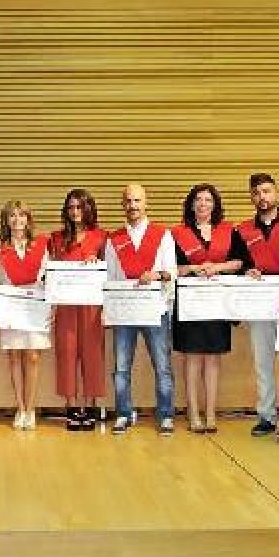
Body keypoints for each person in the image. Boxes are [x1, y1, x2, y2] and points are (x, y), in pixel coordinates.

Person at [170, 184, 248, 434]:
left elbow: (241, 262)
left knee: (213, 358)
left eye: (208, 200)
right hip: (190, 304)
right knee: (192, 358)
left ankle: (211, 413)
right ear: (191, 204)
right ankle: (194, 413)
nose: (203, 204)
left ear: (215, 205)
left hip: (217, 302)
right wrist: (193, 268)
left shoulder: (229, 231)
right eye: (199, 199)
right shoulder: (177, 234)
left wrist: (217, 267)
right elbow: (170, 268)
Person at [105, 184, 177, 436]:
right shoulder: (114, 239)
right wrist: (110, 310)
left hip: (155, 311)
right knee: (121, 367)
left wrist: (156, 274)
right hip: (124, 312)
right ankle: (124, 413)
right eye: (128, 201)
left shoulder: (163, 235)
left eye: (137, 201)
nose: (132, 205)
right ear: (122, 205)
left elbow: (172, 272)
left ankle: (166, 415)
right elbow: (110, 278)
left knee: (162, 365)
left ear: (146, 203)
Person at [236, 173, 279, 436]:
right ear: (251, 197)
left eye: (266, 191)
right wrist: (246, 270)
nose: (262, 197)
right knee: (262, 361)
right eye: (256, 193)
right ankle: (266, 415)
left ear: (276, 192)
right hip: (259, 301)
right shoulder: (242, 230)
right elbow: (238, 262)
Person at [49, 189, 108, 431]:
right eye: (71, 207)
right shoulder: (56, 238)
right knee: (67, 353)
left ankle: (90, 406)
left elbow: (110, 272)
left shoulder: (102, 237)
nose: (75, 212)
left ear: (88, 209)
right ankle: (72, 407)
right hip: (65, 306)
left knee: (92, 354)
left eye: (79, 207)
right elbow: (49, 272)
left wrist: (97, 264)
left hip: (92, 306)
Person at [0, 200, 51, 431]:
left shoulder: (41, 245)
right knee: (14, 356)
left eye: (21, 215)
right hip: (10, 304)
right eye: (12, 215)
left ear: (28, 219)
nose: (17, 220)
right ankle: (20, 408)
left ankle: (31, 408)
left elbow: (47, 275)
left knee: (33, 356)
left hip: (35, 305)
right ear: (6, 220)